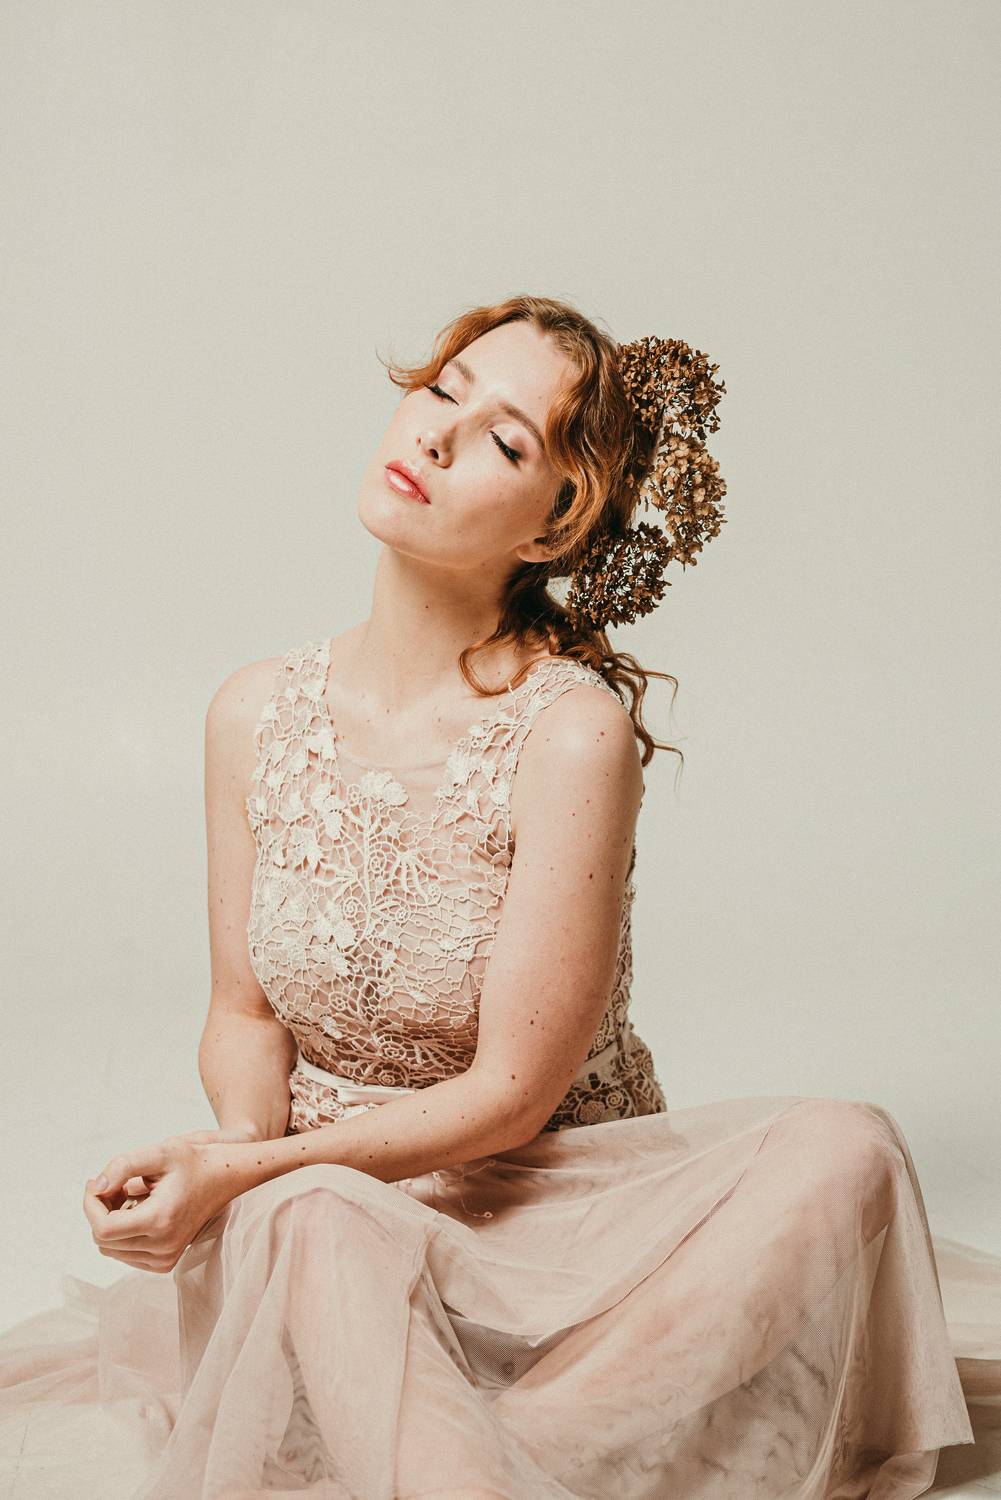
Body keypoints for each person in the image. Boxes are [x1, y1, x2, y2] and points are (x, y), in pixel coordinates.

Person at [1, 294, 998, 1498]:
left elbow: (514, 1094)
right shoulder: (252, 712)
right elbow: (243, 1013)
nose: (434, 433)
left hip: (564, 1226)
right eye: (441, 391)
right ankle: (471, 1450)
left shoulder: (569, 734)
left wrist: (244, 1179)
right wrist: (237, 1165)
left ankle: (489, 1451)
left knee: (847, 1148)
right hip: (327, 1212)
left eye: (504, 441)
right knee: (317, 1219)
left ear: (551, 528)